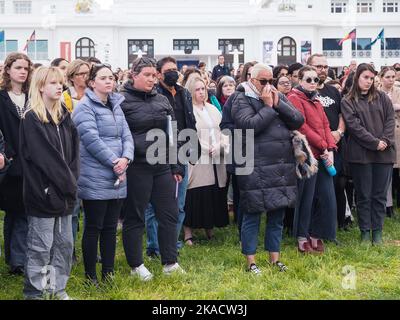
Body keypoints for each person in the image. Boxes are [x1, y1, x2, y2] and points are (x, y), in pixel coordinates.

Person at [231, 63, 304, 274]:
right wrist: (268, 107)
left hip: (280, 164)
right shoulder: (241, 97)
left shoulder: (276, 96)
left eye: (270, 80)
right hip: (255, 165)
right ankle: (251, 261)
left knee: (277, 214)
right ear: (252, 80)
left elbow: (298, 120)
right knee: (253, 214)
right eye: (263, 81)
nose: (267, 85)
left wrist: (277, 103)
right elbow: (249, 125)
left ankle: (275, 258)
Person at [121, 57, 186, 280]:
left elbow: (173, 134)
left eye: (153, 75)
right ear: (134, 75)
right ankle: (136, 265)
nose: (151, 79)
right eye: (146, 75)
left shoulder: (161, 100)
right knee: (135, 216)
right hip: (137, 166)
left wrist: (176, 165)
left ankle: (170, 261)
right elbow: (120, 135)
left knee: (169, 214)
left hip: (162, 166)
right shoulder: (121, 100)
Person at [20, 66, 79, 300]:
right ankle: (36, 293)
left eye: (60, 83)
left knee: (63, 246)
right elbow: (45, 158)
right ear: (41, 86)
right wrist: (67, 183)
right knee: (40, 247)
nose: (59, 87)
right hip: (43, 193)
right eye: (53, 83)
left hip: (65, 193)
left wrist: (72, 181)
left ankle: (56, 289)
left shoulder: (64, 115)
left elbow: (75, 153)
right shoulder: (32, 118)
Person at [72, 64, 134, 284]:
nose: (109, 81)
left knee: (110, 228)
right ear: (92, 82)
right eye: (103, 78)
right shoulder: (84, 107)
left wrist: (126, 158)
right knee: (93, 227)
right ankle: (90, 276)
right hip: (95, 175)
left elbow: (127, 135)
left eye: (111, 78)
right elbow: (90, 139)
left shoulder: (116, 105)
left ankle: (108, 273)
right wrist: (114, 162)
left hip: (118, 174)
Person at [144, 56, 197, 258]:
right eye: (168, 70)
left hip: (182, 151)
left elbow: (189, 122)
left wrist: (193, 147)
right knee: (155, 205)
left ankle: (171, 242)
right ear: (159, 74)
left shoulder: (183, 93)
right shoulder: (154, 94)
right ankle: (154, 246)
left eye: (175, 69)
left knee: (179, 203)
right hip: (160, 152)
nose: (173, 72)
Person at [342, 63, 395, 245]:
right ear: (357, 78)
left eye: (371, 78)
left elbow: (390, 120)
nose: (368, 81)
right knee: (364, 195)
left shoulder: (382, 98)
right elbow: (354, 127)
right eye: (365, 77)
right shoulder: (347, 101)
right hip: (360, 155)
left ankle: (377, 232)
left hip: (384, 154)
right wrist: (374, 142)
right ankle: (365, 232)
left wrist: (385, 141)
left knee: (379, 196)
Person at [288, 66, 337, 254]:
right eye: (308, 79)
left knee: (325, 197)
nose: (312, 83)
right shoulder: (294, 98)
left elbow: (325, 124)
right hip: (307, 155)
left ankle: (317, 233)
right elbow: (302, 126)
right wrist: (324, 146)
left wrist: (331, 148)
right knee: (306, 198)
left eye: (315, 80)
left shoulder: (316, 100)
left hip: (323, 154)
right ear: (300, 80)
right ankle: (302, 235)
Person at [183, 76, 229, 245]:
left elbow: (223, 129)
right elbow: (189, 133)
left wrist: (220, 145)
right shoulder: (188, 110)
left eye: (203, 89)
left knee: (213, 192)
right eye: (197, 89)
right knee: (195, 194)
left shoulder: (212, 109)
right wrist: (204, 147)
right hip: (198, 157)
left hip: (216, 156)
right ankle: (188, 232)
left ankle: (209, 228)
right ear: (191, 92)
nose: (201, 92)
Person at [0, 52, 32, 275]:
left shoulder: (32, 96)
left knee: (22, 211)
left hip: (30, 162)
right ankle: (15, 259)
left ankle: (17, 258)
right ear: (8, 70)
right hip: (9, 161)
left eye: (26, 68)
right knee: (14, 211)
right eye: (18, 67)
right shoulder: (1, 98)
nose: (23, 71)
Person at [307, 54, 347, 232]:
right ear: (308, 67)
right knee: (314, 189)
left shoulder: (333, 91)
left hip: (334, 145)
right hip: (313, 148)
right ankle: (313, 228)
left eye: (325, 66)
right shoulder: (306, 90)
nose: (322, 70)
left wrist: (339, 132)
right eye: (318, 66)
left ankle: (336, 224)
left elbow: (341, 115)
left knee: (337, 184)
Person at [62, 58, 90, 261]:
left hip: (92, 157)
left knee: (93, 209)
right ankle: (69, 252)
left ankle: (91, 249)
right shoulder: (65, 98)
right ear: (72, 77)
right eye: (81, 74)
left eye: (88, 73)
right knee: (72, 210)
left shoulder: (94, 96)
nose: (86, 77)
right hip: (72, 157)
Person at [378, 67, 400, 218]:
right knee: (387, 172)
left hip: (398, 134)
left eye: (393, 76)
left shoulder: (398, 91)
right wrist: (395, 107)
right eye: (388, 77)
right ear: (381, 77)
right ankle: (387, 205)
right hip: (383, 135)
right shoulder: (376, 92)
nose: (391, 79)